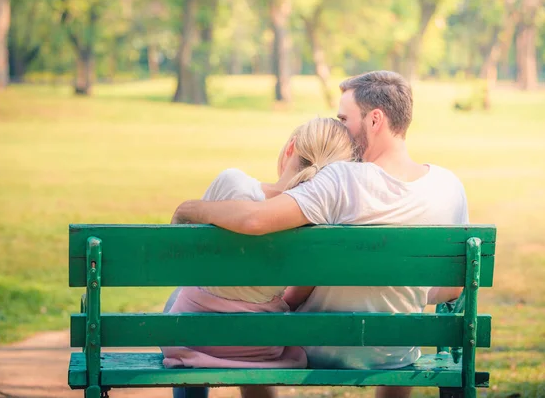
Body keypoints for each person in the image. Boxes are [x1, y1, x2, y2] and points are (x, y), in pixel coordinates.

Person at [171, 70, 468, 398]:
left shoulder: (342, 180)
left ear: (375, 120)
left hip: (315, 343)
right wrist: (403, 288)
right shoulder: (449, 186)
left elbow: (255, 221)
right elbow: (452, 288)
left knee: (256, 313)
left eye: (344, 118)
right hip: (393, 352)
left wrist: (189, 210)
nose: (340, 127)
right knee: (395, 338)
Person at [164, 117, 357, 398]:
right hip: (260, 346)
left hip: (197, 339)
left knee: (180, 299)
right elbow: (298, 294)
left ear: (289, 148)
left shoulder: (233, 183)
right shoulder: (322, 221)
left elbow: (190, 264)